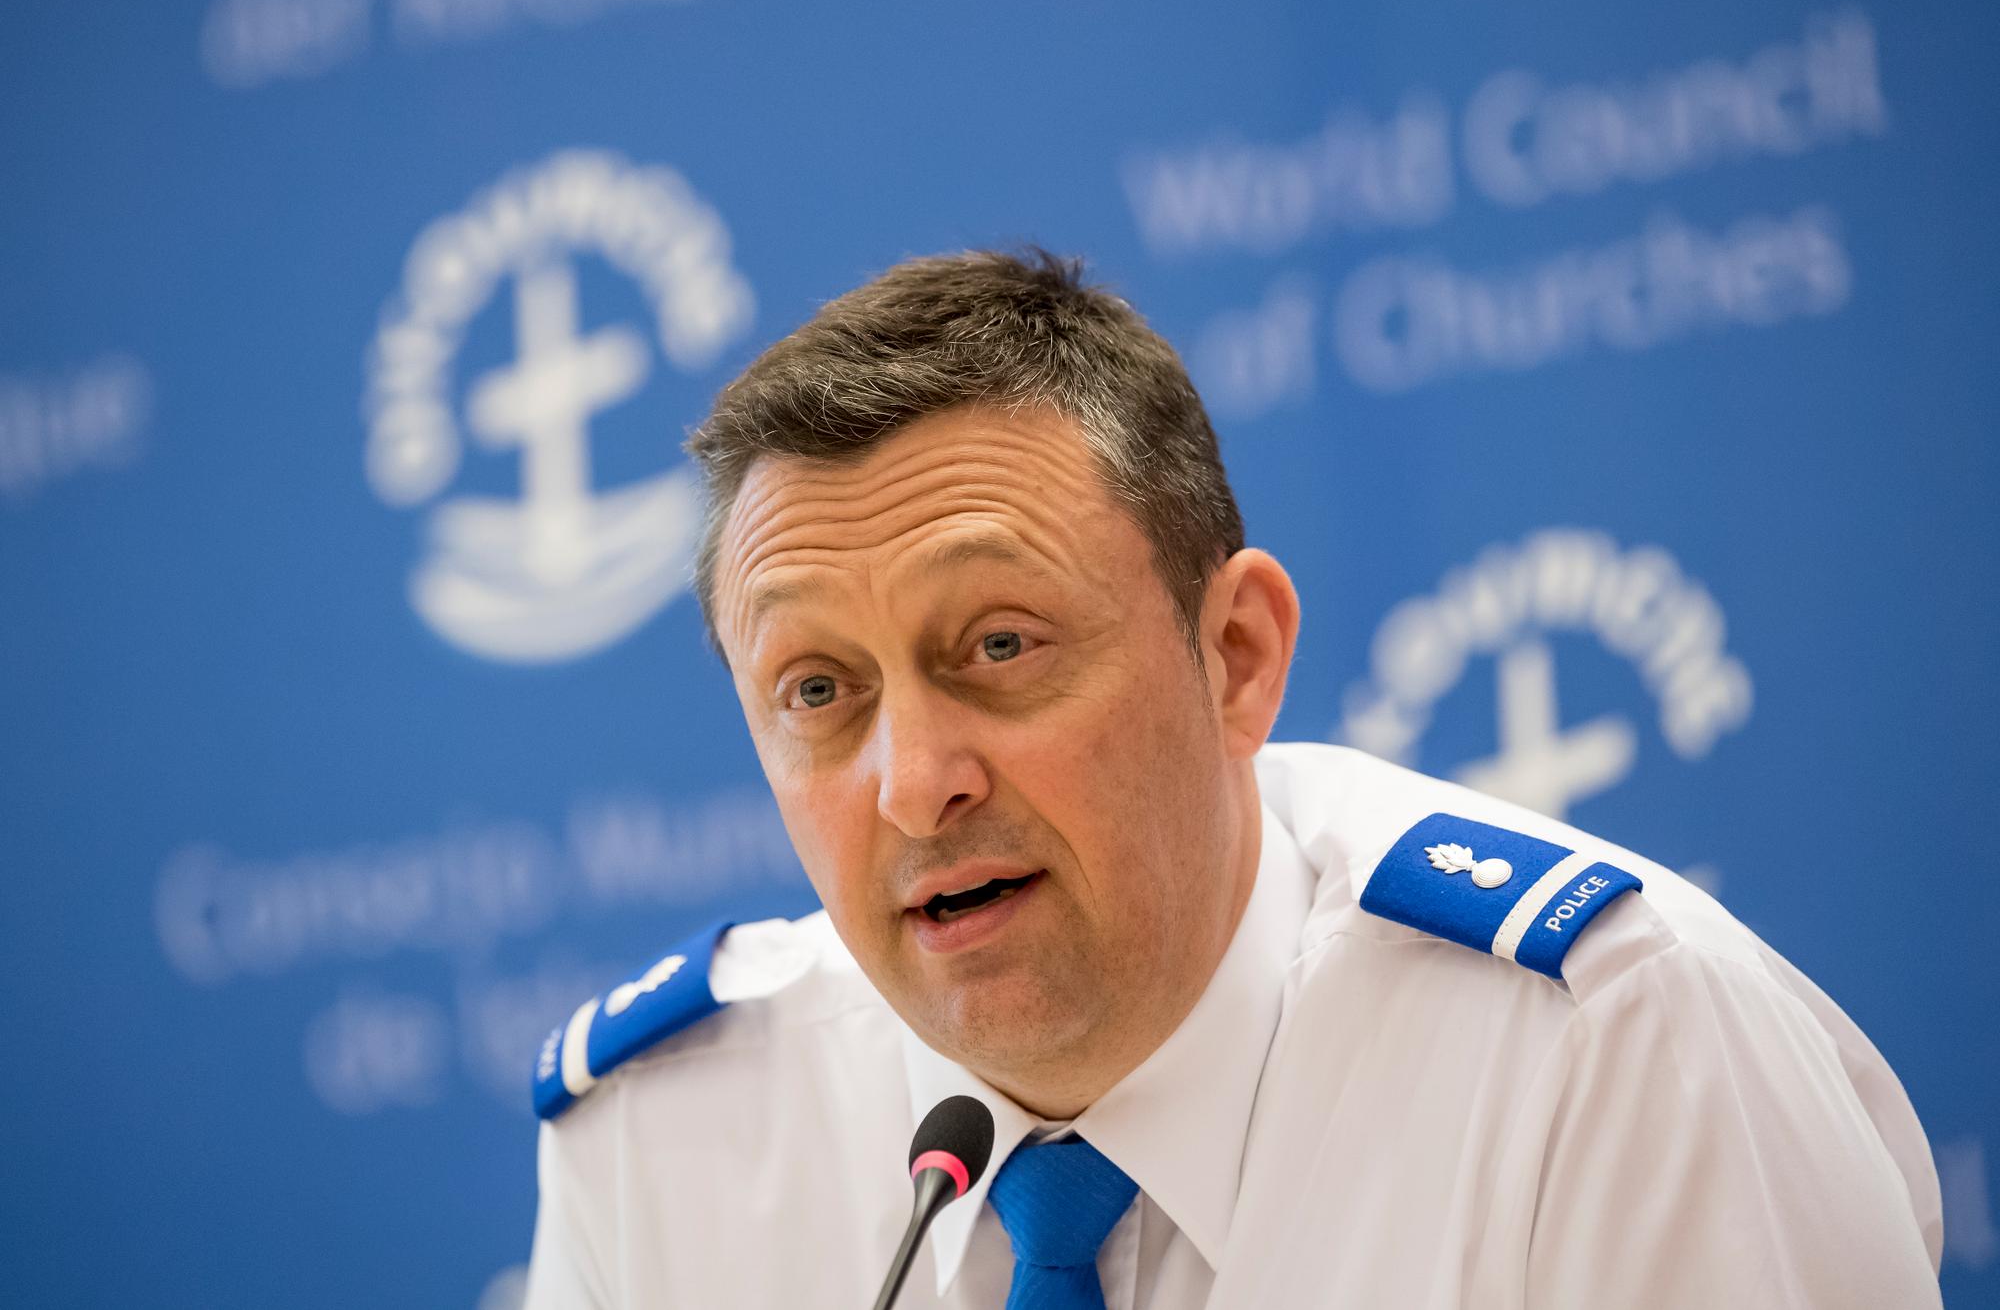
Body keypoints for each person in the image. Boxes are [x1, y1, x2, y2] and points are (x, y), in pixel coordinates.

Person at [522, 250, 1943, 1309]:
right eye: (819, 692)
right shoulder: (662, 1139)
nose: (914, 784)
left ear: (1238, 657)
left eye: (1000, 644)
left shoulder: (1616, 1053)